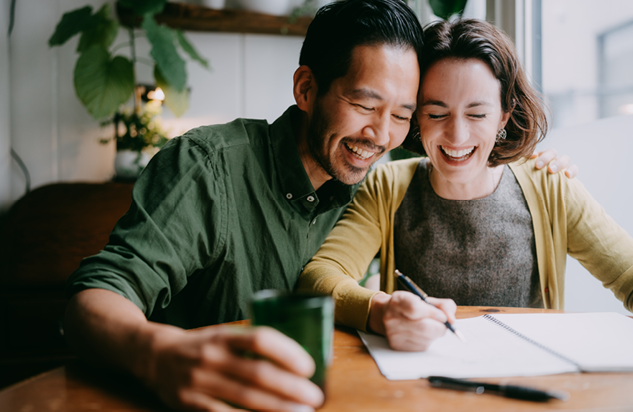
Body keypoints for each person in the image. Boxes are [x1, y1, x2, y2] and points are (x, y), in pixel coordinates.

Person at [64, 2, 569, 409]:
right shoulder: (208, 166)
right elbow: (95, 299)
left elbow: (464, 147)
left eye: (402, 115)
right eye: (364, 105)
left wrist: (532, 166)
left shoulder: (378, 171)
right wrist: (160, 355)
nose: (381, 134)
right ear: (307, 89)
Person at [297, 18, 633, 353]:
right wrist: (380, 310)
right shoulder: (387, 187)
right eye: (437, 113)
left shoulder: (550, 185)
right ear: (416, 117)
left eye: (477, 114)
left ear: (504, 114)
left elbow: (628, 274)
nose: (457, 136)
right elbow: (320, 277)